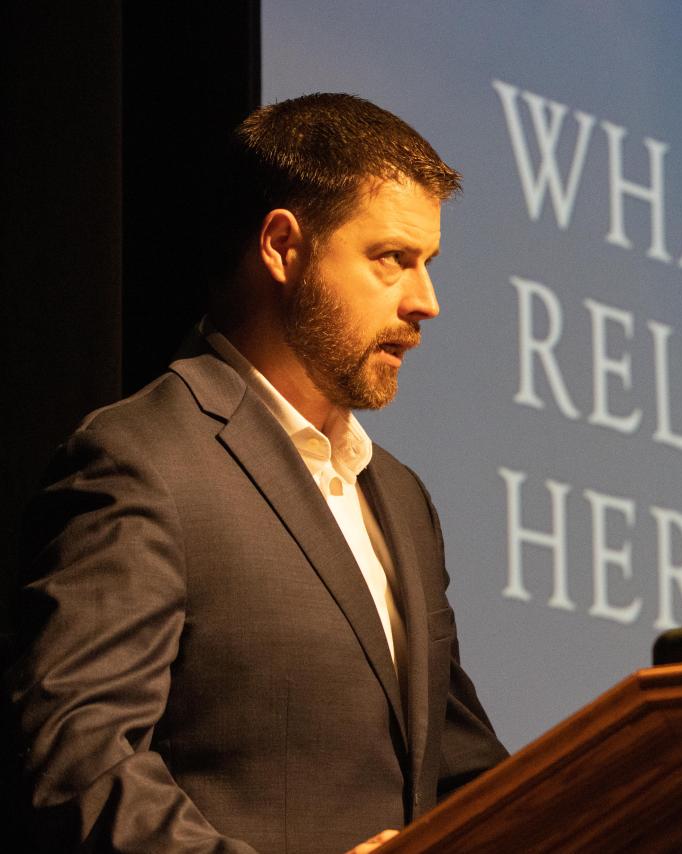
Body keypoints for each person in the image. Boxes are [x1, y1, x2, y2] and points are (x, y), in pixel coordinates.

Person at [6, 93, 509, 853]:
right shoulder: (143, 460)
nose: (426, 302)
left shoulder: (400, 499)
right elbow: (77, 763)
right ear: (282, 246)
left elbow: (462, 772)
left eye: (428, 264)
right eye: (392, 260)